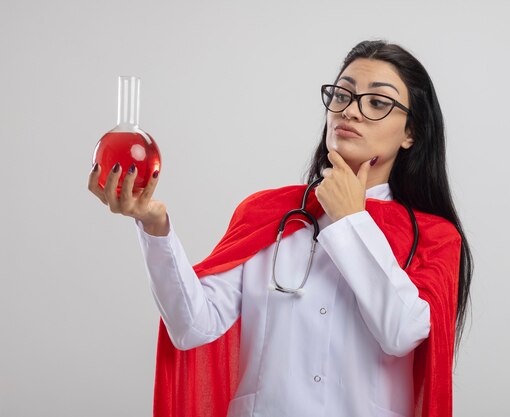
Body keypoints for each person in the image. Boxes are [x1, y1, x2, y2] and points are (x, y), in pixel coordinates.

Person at [88, 40, 473, 417]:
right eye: (342, 95)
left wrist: (350, 219)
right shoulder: (268, 213)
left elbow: (401, 332)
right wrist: (154, 228)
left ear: (411, 133)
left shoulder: (434, 238)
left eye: (377, 102)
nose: (350, 112)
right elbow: (192, 326)